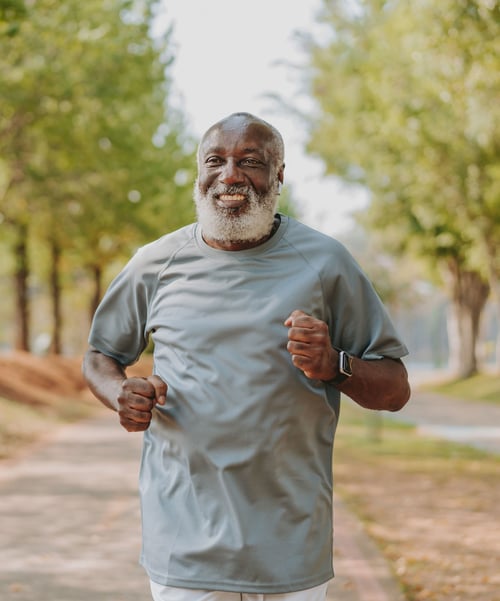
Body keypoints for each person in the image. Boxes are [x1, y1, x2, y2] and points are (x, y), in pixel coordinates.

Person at [82, 112, 410, 601]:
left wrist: (335, 364)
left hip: (290, 542)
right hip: (183, 542)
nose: (230, 175)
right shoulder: (156, 262)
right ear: (199, 175)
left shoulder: (325, 262)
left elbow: (395, 389)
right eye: (215, 160)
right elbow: (101, 354)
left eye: (250, 162)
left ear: (279, 175)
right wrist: (119, 394)